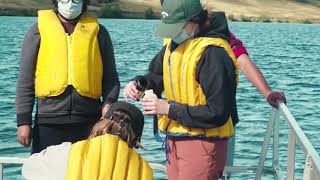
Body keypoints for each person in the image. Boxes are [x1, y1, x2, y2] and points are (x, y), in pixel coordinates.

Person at [125, 0, 238, 179]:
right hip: (175, 139)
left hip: (203, 143)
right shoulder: (174, 45)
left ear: (194, 21)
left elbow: (218, 112)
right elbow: (156, 76)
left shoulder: (214, 54)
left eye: (176, 27)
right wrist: (139, 84)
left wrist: (167, 109)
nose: (172, 33)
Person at [16, 0, 120, 154]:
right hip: (48, 123)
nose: (70, 3)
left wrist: (108, 104)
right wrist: (23, 122)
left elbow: (111, 78)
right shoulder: (37, 31)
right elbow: (25, 79)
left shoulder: (100, 32)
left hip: (90, 122)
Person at [22, 101, 153, 180]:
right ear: (136, 141)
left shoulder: (67, 152)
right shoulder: (143, 170)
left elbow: (28, 168)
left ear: (100, 123)